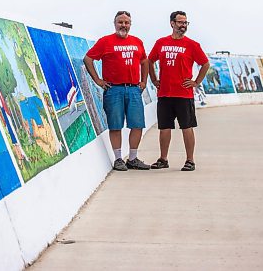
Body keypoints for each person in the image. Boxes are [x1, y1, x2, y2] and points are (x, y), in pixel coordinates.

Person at [84, 11, 150, 171]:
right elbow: (88, 59)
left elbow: (144, 61)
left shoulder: (137, 42)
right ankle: (118, 158)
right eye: (120, 22)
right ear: (115, 24)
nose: (124, 25)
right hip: (114, 89)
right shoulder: (105, 42)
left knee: (137, 124)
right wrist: (98, 80)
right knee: (115, 125)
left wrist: (143, 81)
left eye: (127, 23)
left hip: (134, 89)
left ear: (130, 25)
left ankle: (133, 159)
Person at [148, 11, 210, 171]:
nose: (183, 26)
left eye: (186, 23)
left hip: (184, 94)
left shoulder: (192, 44)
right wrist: (154, 79)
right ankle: (163, 159)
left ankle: (190, 160)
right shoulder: (161, 43)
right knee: (164, 127)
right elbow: (149, 60)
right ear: (172, 23)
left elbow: (205, 64)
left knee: (187, 127)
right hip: (165, 93)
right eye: (180, 22)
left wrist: (196, 82)